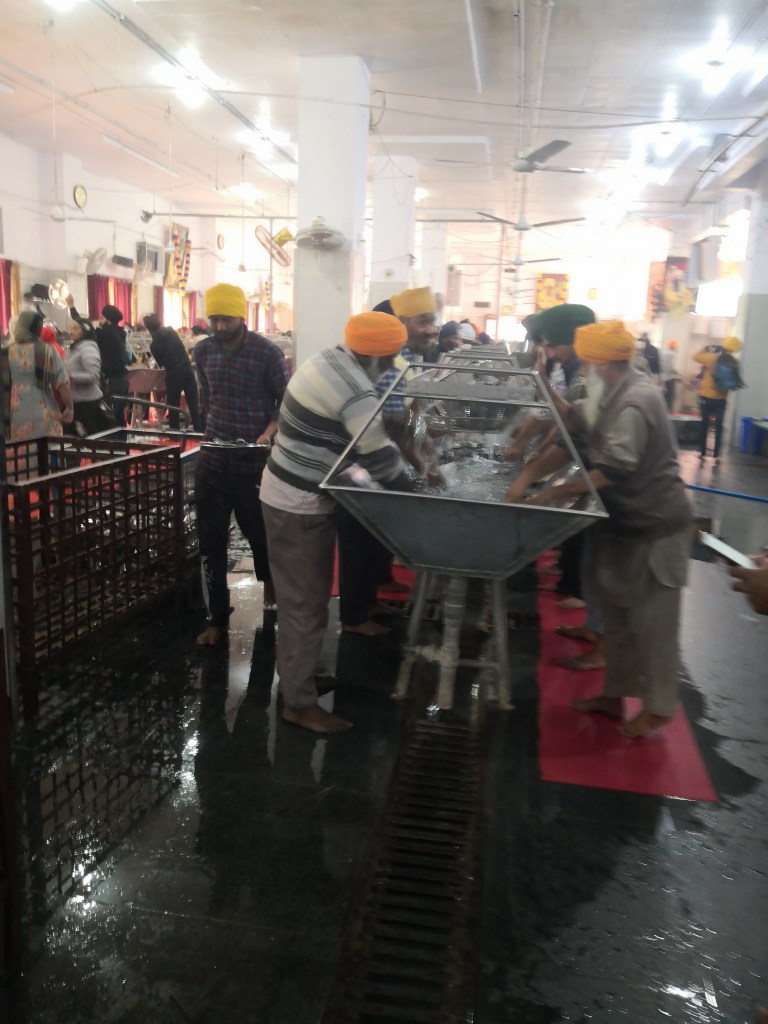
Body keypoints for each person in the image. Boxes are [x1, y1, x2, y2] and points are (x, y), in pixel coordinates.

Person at [516, 320, 692, 738]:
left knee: (653, 626)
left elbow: (613, 470)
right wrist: (541, 385)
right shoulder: (607, 393)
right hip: (624, 524)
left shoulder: (635, 401)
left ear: (599, 363)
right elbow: (573, 425)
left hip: (656, 528)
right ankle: (614, 695)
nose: (581, 369)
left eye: (585, 362)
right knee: (618, 618)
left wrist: (552, 493)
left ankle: (659, 708)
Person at [260, 311, 415, 734]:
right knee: (305, 606)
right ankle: (298, 703)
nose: (393, 364)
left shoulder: (330, 359)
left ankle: (297, 678)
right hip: (297, 504)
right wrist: (416, 496)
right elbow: (380, 458)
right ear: (375, 356)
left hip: (290, 491)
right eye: (391, 357)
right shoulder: (355, 390)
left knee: (300, 601)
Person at [194, 283, 289, 647]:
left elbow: (285, 402)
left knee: (260, 534)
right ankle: (217, 619)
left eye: (226, 319)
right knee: (211, 542)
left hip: (252, 462)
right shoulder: (203, 351)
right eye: (214, 319)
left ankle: (269, 583)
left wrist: (269, 431)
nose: (219, 326)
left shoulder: (267, 353)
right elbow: (206, 398)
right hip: (213, 459)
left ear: (241, 315)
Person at [3, 310, 73, 440]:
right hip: (42, 411)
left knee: (19, 450)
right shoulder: (47, 350)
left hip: (11, 412)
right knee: (44, 449)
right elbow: (62, 382)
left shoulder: (4, 353)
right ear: (38, 329)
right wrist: (69, 407)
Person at [142, 313, 204, 432]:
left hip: (174, 374)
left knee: (174, 405)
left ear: (148, 328)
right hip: (187, 369)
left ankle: (174, 431)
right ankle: (199, 430)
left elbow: (160, 363)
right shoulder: (172, 333)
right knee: (193, 403)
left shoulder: (154, 345)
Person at [693, 335, 743, 464]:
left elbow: (696, 357)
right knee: (719, 426)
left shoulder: (713, 358)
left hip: (707, 397)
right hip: (721, 399)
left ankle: (702, 452)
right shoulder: (734, 362)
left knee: (704, 424)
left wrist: (705, 349)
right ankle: (717, 455)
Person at [64, 313, 112, 435]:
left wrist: (71, 377)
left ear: (84, 331)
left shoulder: (88, 348)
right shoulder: (75, 348)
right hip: (77, 401)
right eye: (71, 328)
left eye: (75, 328)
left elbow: (93, 375)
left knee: (93, 438)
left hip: (88, 403)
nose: (71, 331)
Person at [97, 304, 131, 427]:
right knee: (119, 414)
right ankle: (123, 438)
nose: (99, 321)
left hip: (113, 379)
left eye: (101, 318)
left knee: (110, 414)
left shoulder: (106, 332)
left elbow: (87, 331)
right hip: (123, 378)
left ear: (108, 319)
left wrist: (72, 308)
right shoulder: (120, 332)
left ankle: (114, 438)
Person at [660, 339, 678, 410]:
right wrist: (675, 372)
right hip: (669, 378)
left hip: (665, 377)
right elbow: (669, 367)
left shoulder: (666, 354)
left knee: (666, 395)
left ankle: (665, 410)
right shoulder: (670, 355)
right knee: (670, 396)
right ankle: (667, 410)